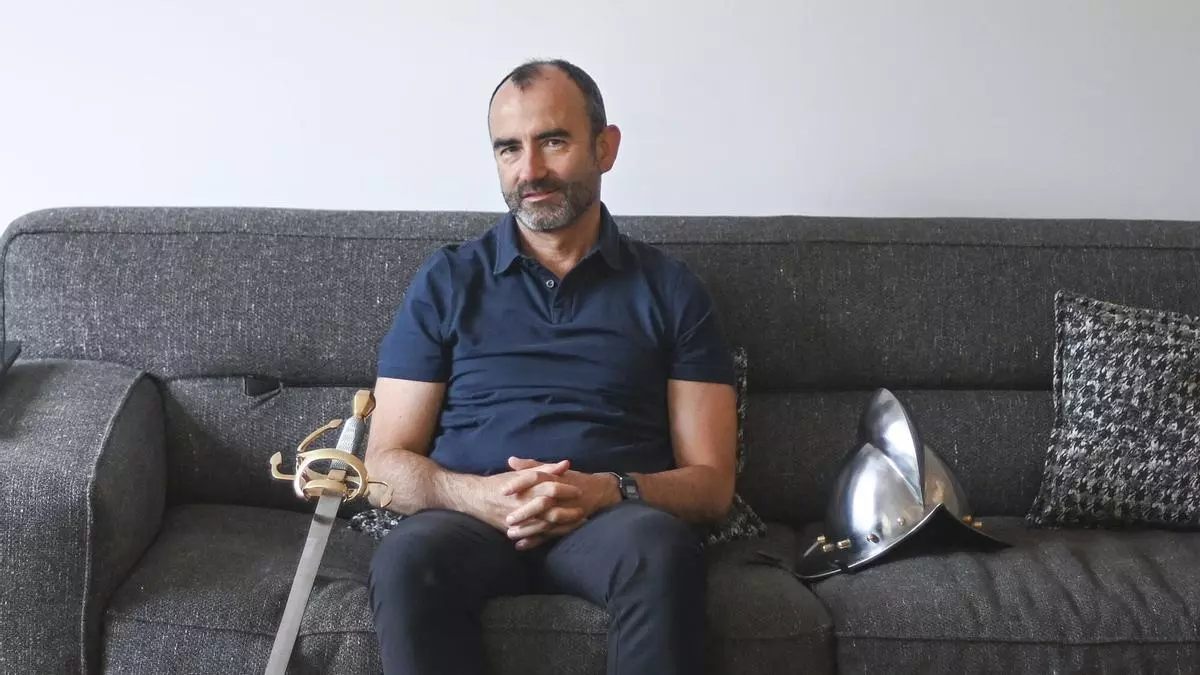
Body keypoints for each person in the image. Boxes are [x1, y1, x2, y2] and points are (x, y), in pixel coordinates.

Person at [364, 58, 738, 675]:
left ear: (605, 147)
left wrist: (606, 490)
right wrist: (476, 496)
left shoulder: (672, 290)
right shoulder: (448, 280)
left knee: (659, 549)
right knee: (406, 560)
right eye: (509, 148)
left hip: (612, 523)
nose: (530, 170)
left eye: (554, 141)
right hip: (469, 522)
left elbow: (712, 486)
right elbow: (382, 464)